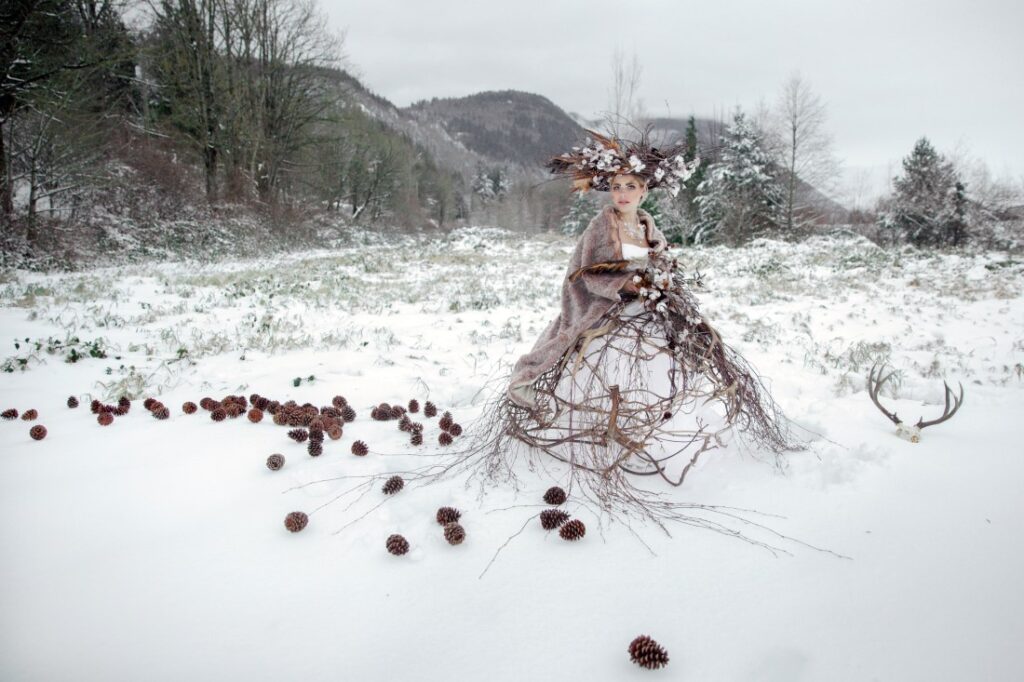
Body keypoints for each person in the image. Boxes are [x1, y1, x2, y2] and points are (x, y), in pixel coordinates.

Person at [497, 127, 803, 485]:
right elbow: (584, 273)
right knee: (603, 361)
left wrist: (660, 284)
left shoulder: (646, 224)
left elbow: (660, 262)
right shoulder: (601, 225)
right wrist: (625, 284)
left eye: (631, 186)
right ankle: (593, 419)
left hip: (644, 307)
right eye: (617, 187)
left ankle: (661, 425)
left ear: (644, 190)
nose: (623, 194)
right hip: (607, 305)